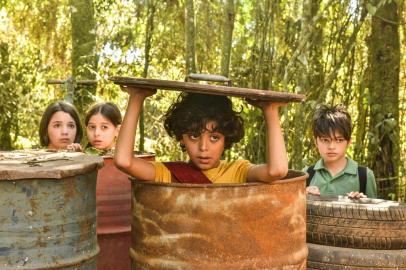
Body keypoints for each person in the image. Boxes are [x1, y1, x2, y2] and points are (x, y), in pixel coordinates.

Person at [114, 86, 288, 183]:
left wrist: (270, 111)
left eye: (214, 138)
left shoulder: (238, 171)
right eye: (194, 136)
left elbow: (277, 171)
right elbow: (123, 161)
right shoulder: (169, 174)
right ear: (181, 137)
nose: (203, 148)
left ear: (226, 138)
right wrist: (136, 97)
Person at [304, 104, 377, 198]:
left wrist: (362, 202)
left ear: (348, 142)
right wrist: (303, 196)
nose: (331, 146)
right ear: (316, 141)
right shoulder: (306, 175)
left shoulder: (364, 176)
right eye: (325, 140)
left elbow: (373, 211)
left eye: (339, 140)